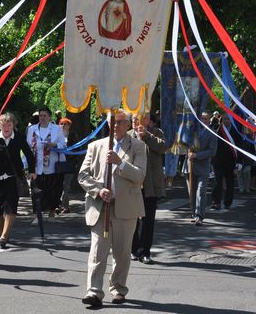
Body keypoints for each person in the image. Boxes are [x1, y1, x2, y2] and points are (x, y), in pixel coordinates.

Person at [78, 110, 146, 307]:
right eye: (112, 122)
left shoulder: (138, 146)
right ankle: (94, 291)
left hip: (126, 208)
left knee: (122, 253)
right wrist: (98, 191)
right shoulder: (95, 146)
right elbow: (83, 175)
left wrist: (120, 163)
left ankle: (118, 288)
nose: (116, 126)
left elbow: (140, 176)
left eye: (120, 122)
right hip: (101, 207)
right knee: (97, 251)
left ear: (128, 125)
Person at [0, 113, 35, 248]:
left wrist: (32, 171)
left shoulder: (19, 137)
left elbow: (29, 155)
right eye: (3, 124)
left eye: (9, 124)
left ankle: (3, 236)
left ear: (13, 125)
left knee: (11, 206)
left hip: (13, 177)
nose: (6, 127)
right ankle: (5, 232)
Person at [130, 112, 167, 264]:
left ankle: (145, 251)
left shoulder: (156, 132)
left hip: (150, 184)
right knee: (131, 219)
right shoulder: (127, 136)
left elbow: (162, 147)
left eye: (140, 118)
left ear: (147, 120)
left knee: (148, 220)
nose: (136, 122)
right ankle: (134, 249)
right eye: (133, 119)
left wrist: (146, 136)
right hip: (132, 184)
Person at [26, 106, 66, 220]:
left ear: (49, 117)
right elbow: (27, 148)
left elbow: (63, 145)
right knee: (36, 192)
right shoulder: (32, 129)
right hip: (36, 166)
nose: (42, 118)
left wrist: (54, 145)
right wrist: (27, 165)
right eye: (40, 116)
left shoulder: (56, 129)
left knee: (53, 191)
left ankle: (52, 212)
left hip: (52, 165)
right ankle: (36, 215)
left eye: (45, 116)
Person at [188, 112, 218, 226]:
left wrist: (197, 155)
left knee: (201, 191)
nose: (203, 120)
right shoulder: (193, 131)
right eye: (202, 118)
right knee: (192, 192)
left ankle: (200, 216)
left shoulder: (212, 134)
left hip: (204, 167)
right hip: (191, 166)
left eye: (205, 118)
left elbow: (212, 151)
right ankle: (194, 214)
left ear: (209, 120)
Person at [211, 114, 239, 210]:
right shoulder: (218, 129)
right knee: (216, 182)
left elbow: (239, 146)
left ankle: (228, 202)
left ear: (231, 120)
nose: (227, 121)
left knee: (229, 183)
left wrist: (238, 162)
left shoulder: (235, 131)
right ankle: (216, 202)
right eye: (225, 119)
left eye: (229, 119)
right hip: (217, 160)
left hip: (230, 162)